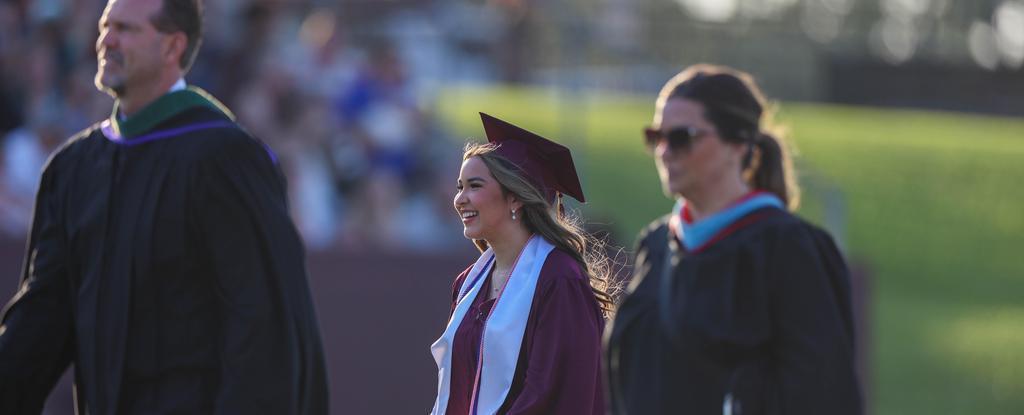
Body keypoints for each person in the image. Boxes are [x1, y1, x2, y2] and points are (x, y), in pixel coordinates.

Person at [0, 0, 328, 413]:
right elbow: (42, 321)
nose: (107, 41)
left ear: (173, 47)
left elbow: (263, 331)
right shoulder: (75, 170)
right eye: (105, 27)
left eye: (126, 29)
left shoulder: (224, 160)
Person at [604, 64, 862, 414]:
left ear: (737, 145)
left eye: (682, 137)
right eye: (656, 137)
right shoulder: (656, 246)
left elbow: (823, 393)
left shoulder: (787, 248)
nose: (665, 151)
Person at [430, 113, 612, 415]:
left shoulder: (559, 279)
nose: (460, 199)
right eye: (459, 186)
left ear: (515, 198)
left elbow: (560, 393)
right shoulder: (468, 285)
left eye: (474, 186)